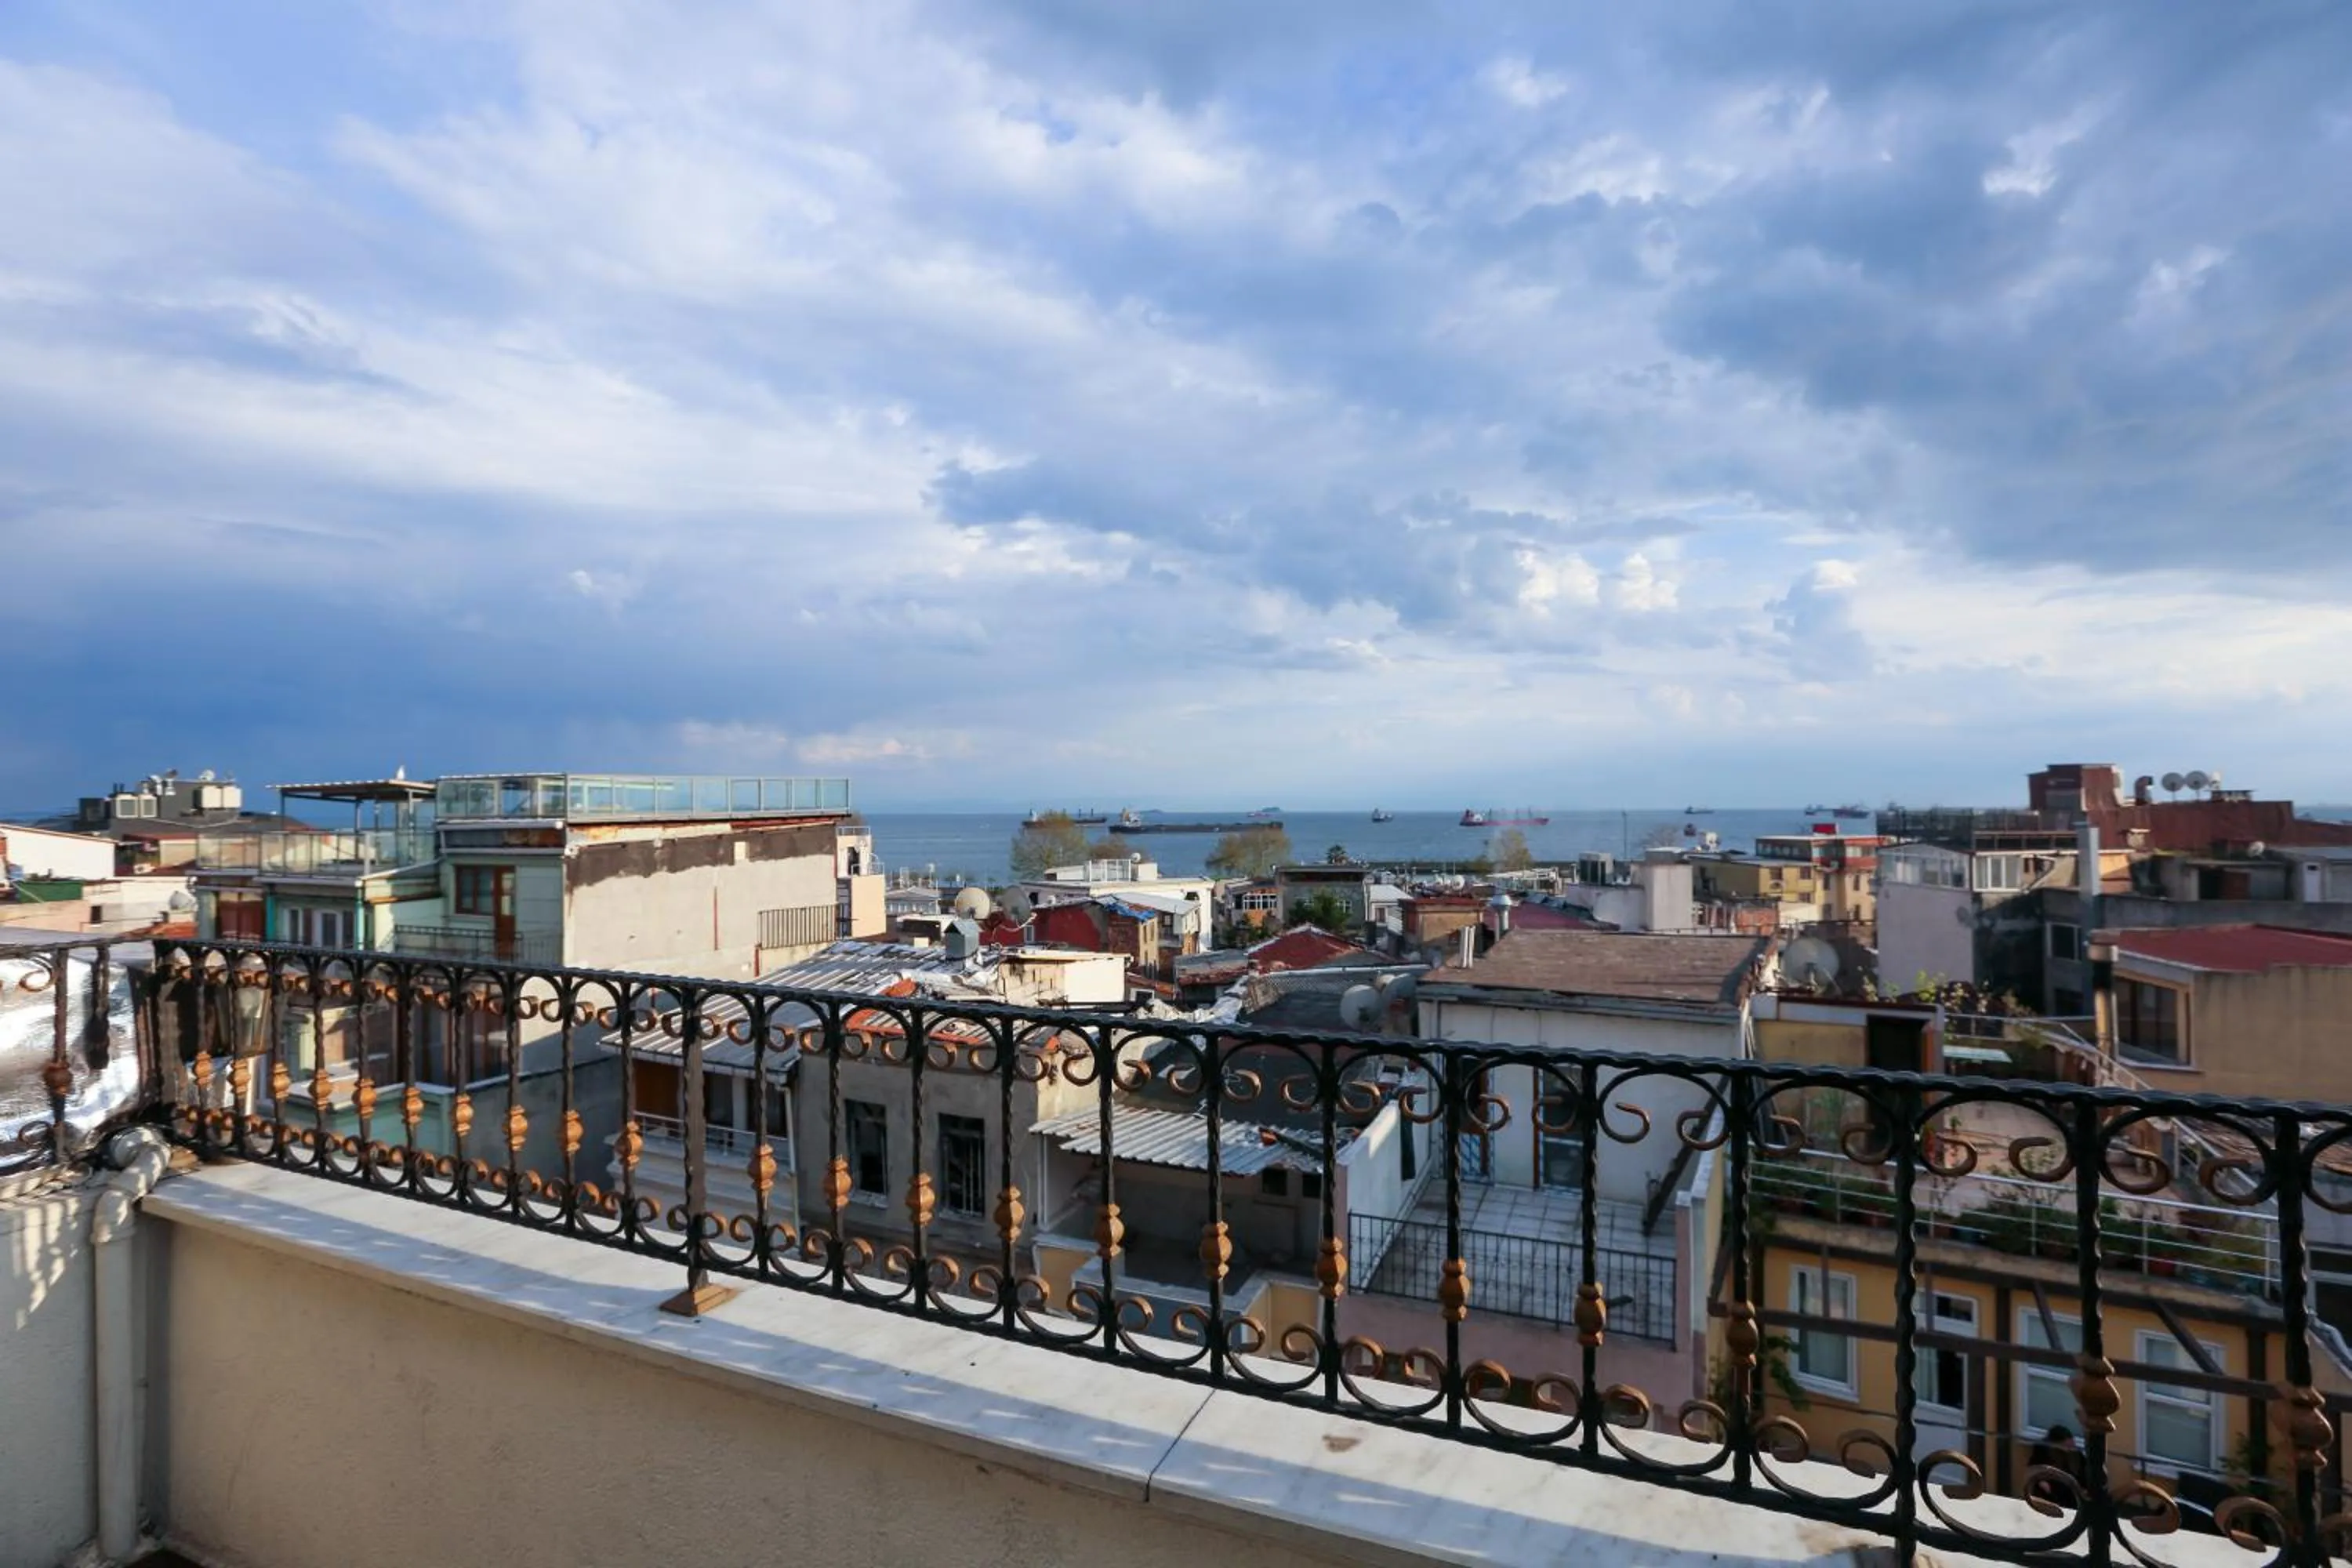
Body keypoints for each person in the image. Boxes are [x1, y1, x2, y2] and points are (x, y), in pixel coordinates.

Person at [2026, 1424, 2086, 1506]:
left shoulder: (2076, 1455)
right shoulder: (2043, 1450)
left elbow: (2084, 1473)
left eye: (2071, 1445)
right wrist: (2040, 1481)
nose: (2070, 1448)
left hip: (2069, 1490)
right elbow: (2034, 1467)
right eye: (2066, 1445)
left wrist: (2084, 1488)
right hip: (2050, 1487)